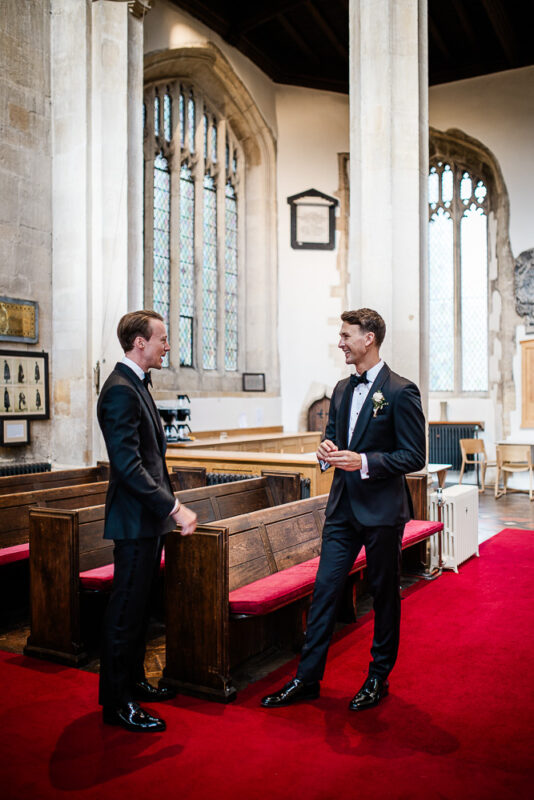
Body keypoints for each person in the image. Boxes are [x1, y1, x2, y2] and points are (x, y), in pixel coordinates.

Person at [261, 308, 426, 712]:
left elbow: (414, 455)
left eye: (346, 335)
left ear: (368, 338)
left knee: (385, 594)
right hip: (341, 510)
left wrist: (366, 463)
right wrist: (325, 453)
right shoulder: (340, 389)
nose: (341, 342)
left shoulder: (401, 391)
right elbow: (332, 440)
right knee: (325, 592)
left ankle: (377, 677)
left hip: (382, 511)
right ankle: (306, 678)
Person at [97, 309, 197, 733]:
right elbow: (128, 466)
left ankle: (135, 680)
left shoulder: (136, 385)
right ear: (140, 342)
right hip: (135, 520)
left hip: (146, 521)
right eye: (162, 338)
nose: (167, 345)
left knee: (139, 610)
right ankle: (117, 702)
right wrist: (173, 507)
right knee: (125, 611)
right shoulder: (119, 389)